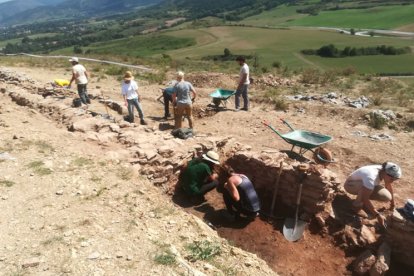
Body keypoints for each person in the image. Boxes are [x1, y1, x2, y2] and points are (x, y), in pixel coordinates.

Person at [344, 162, 402, 227]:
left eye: (395, 179)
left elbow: (388, 185)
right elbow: (365, 198)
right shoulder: (371, 177)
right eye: (392, 178)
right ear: (385, 173)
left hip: (364, 183)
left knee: (387, 196)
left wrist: (392, 204)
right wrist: (377, 215)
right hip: (350, 185)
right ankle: (356, 206)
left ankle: (365, 203)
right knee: (365, 191)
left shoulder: (384, 171)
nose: (392, 181)